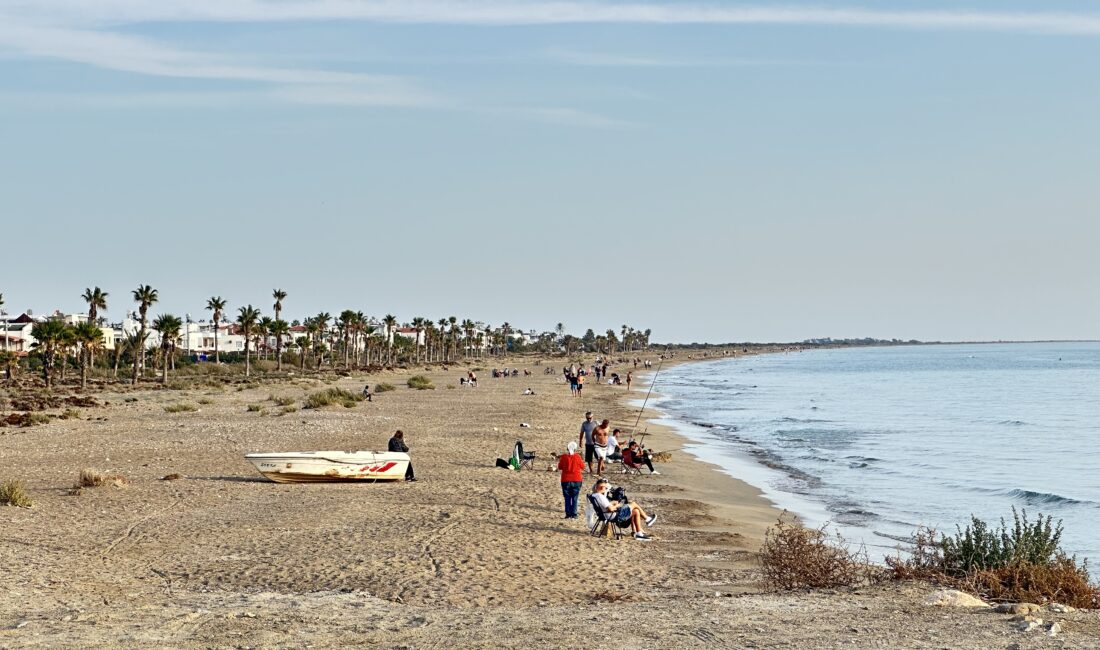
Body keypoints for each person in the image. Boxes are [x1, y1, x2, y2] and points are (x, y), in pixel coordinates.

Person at [590, 478, 656, 540]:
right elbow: (610, 509)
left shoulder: (594, 495)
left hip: (604, 515)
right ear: (602, 487)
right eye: (605, 487)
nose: (606, 489)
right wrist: (618, 505)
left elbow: (604, 506)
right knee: (633, 504)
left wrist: (612, 502)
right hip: (613, 515)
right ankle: (647, 519)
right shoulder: (601, 497)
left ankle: (639, 533)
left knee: (636, 511)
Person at [556, 441, 585, 518]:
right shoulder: (578, 457)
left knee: (567, 498)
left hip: (565, 479)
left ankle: (568, 514)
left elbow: (560, 467)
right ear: (575, 449)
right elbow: (583, 467)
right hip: (576, 479)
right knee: (575, 497)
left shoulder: (564, 457)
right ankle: (574, 514)